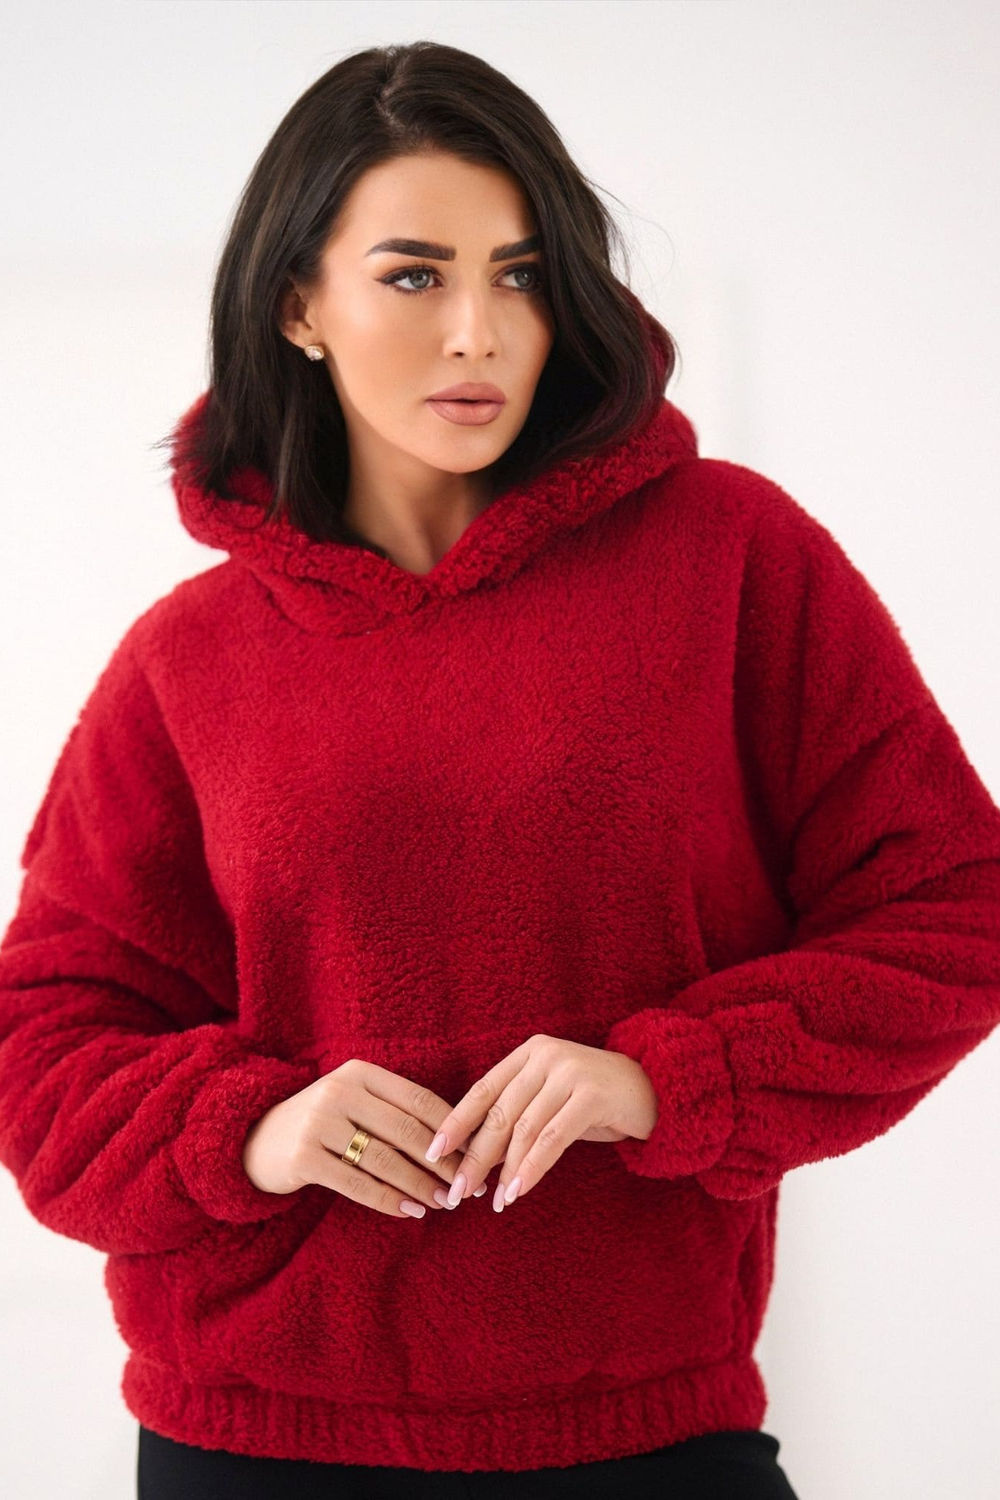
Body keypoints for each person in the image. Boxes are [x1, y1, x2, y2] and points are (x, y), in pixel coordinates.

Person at [1, 39, 998, 1500]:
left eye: (520, 276)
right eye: (414, 275)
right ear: (298, 305)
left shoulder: (728, 560)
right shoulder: (187, 658)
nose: (477, 332)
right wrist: (254, 1129)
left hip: (647, 1430)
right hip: (254, 1440)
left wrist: (671, 1077)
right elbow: (43, 1047)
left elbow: (956, 906)